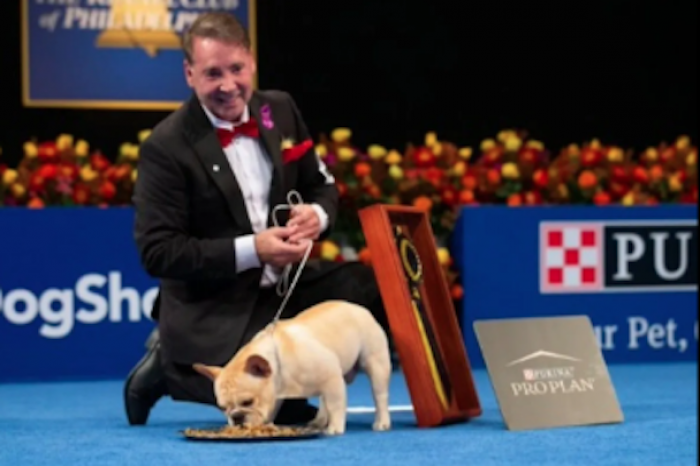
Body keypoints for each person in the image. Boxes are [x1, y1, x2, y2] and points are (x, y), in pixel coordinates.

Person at [124, 11, 391, 426]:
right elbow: (159, 252)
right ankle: (166, 365)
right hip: (216, 302)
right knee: (260, 400)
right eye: (213, 74)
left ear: (252, 62)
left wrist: (316, 216)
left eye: (237, 69)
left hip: (283, 291)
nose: (229, 86)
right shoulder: (166, 146)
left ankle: (296, 382)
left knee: (366, 288)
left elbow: (321, 185)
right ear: (189, 74)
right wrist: (255, 250)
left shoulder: (279, 110)